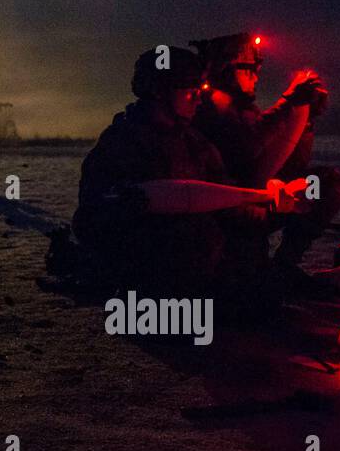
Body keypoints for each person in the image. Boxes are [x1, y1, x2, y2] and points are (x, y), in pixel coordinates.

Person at [72, 46, 240, 302]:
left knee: (255, 294)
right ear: (161, 93)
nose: (198, 100)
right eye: (190, 92)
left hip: (189, 253)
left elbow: (221, 187)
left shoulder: (194, 142)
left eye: (200, 92)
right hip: (141, 252)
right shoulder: (123, 141)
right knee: (193, 234)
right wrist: (128, 205)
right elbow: (90, 215)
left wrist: (264, 201)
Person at [191, 32, 340, 286]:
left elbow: (286, 162)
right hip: (233, 212)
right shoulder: (211, 107)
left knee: (326, 184)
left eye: (258, 67)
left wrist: (305, 119)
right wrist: (288, 103)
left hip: (260, 199)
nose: (256, 75)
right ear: (228, 69)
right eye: (249, 68)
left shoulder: (245, 110)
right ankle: (268, 275)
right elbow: (247, 152)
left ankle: (285, 264)